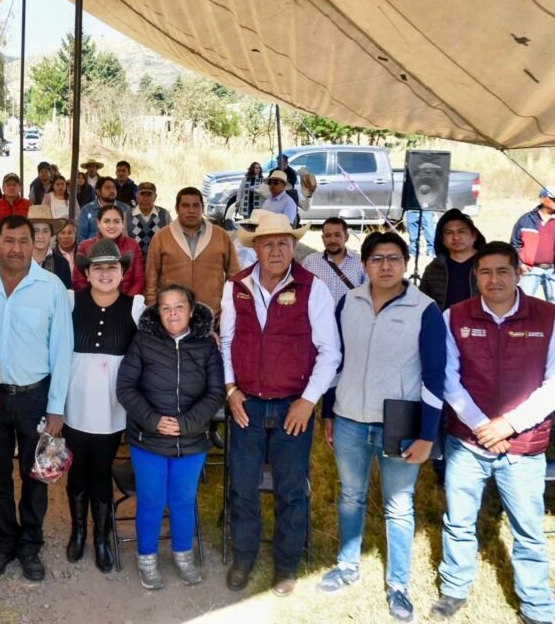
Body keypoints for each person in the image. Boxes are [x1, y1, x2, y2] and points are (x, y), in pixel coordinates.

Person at [317, 232, 446, 623]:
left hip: (399, 426)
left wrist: (427, 434)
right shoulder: (348, 302)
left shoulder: (425, 309)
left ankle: (399, 585)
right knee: (350, 496)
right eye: (376, 259)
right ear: (365, 264)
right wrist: (328, 411)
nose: (385, 266)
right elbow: (336, 361)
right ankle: (347, 565)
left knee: (399, 506)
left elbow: (435, 376)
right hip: (350, 420)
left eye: (393, 258)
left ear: (405, 263)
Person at [427, 241, 555, 624]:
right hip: (468, 442)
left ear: (519, 273)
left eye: (503, 271)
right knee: (459, 521)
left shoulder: (548, 317)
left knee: (528, 530)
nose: (494, 279)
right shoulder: (454, 316)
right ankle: (454, 588)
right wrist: (482, 425)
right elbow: (447, 377)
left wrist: (509, 424)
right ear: (475, 276)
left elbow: (553, 384)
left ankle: (536, 605)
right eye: (485, 271)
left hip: (523, 446)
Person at [219, 212, 341, 596]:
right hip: (247, 405)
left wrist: (308, 401)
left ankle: (286, 565)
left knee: (291, 489)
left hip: (293, 406)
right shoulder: (236, 286)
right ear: (255, 247)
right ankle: (244, 557)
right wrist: (230, 390)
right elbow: (226, 342)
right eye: (268, 243)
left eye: (284, 243)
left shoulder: (313, 288)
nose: (276, 250)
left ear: (294, 246)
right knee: (242, 487)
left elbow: (330, 351)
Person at [0, 215, 72, 582]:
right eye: (9, 240)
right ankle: (3, 542)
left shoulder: (51, 286)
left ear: (35, 244)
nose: (16, 248)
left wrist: (56, 407)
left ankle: (30, 545)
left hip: (36, 397)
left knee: (37, 476)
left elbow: (62, 349)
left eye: (24, 241)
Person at [117, 284, 224, 589]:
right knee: (151, 501)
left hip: (191, 440)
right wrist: (154, 420)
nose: (173, 313)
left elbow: (215, 393)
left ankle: (183, 555)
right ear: (158, 313)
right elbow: (125, 387)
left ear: (191, 311)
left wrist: (186, 423)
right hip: (149, 440)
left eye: (179, 307)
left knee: (183, 501)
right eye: (165, 308)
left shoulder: (206, 346)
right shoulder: (143, 341)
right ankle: (147, 558)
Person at [64, 240, 145, 573]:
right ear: (87, 273)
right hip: (74, 404)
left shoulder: (136, 307)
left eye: (112, 267)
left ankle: (101, 536)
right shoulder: (70, 301)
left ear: (123, 272)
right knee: (76, 470)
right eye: (98, 267)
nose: (105, 273)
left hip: (112, 407)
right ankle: (78, 531)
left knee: (100, 470)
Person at [145, 187, 240, 317]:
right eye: (185, 206)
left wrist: (229, 309)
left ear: (202, 208)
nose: (191, 211)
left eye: (196, 206)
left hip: (213, 314)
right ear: (177, 209)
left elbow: (234, 274)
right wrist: (152, 309)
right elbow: (151, 278)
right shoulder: (161, 237)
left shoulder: (221, 236)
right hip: (172, 316)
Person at [420, 209, 486, 310]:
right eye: (449, 232)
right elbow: (423, 304)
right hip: (443, 320)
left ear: (474, 236)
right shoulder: (434, 269)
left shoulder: (488, 264)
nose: (456, 237)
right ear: (442, 239)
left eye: (461, 231)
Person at [73, 205, 145, 295]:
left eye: (116, 221)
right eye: (106, 221)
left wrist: (125, 300)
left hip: (127, 300)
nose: (111, 226)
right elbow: (79, 281)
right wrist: (96, 300)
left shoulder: (133, 245)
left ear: (123, 224)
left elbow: (139, 281)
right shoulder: (85, 246)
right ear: (98, 223)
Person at [302, 217, 367, 303]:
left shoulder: (361, 262)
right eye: (328, 236)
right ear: (323, 238)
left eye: (337, 235)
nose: (332, 240)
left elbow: (370, 294)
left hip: (351, 312)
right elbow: (302, 292)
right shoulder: (310, 261)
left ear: (346, 237)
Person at [511, 184, 555, 301]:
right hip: (530, 270)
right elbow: (514, 244)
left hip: (553, 271)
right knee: (524, 303)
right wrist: (520, 264)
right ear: (542, 199)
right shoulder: (526, 219)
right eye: (553, 199)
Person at [27, 205, 72, 288]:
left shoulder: (62, 263)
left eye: (45, 231)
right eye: (36, 231)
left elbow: (66, 293)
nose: (41, 236)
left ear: (51, 234)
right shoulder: (19, 260)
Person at [77, 177, 131, 243]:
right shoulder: (87, 210)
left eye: (113, 188)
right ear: (98, 192)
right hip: (94, 247)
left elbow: (131, 234)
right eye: (108, 188)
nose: (112, 191)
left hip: (120, 248)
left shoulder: (125, 209)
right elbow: (80, 235)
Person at [127, 181, 170, 261]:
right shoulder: (127, 215)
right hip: (134, 262)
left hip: (158, 262)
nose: (145, 198)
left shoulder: (164, 214)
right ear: (136, 196)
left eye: (149, 195)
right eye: (142, 194)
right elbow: (124, 243)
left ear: (155, 197)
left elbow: (170, 240)